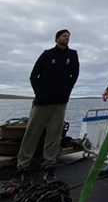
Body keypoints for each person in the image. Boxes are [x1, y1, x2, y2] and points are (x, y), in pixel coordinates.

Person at [14, 29, 79, 183]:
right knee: (32, 133)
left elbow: (74, 75)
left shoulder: (73, 55)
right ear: (57, 39)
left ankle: (49, 163)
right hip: (43, 101)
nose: (67, 38)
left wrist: (66, 91)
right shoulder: (47, 54)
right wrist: (39, 92)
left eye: (69, 36)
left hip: (60, 102)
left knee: (54, 134)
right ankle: (22, 165)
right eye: (64, 36)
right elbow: (33, 75)